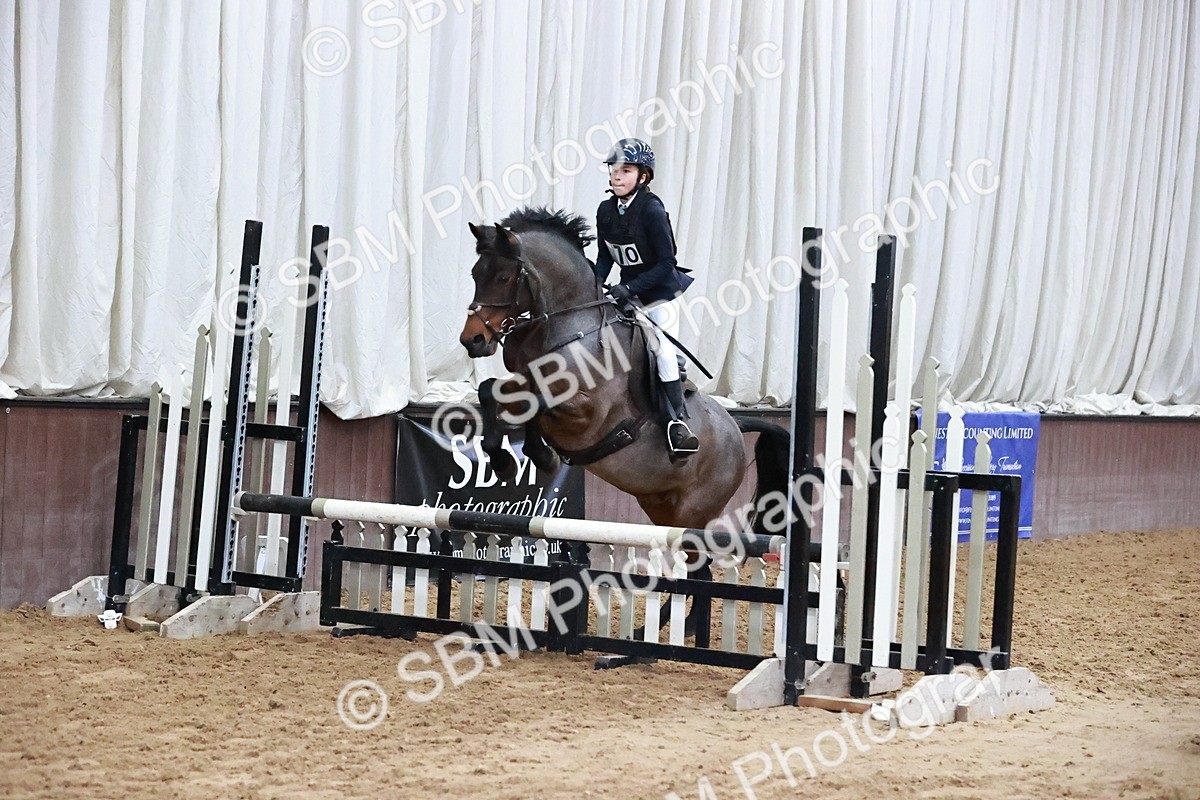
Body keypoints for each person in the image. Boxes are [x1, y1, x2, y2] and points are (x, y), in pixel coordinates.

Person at [592, 138, 700, 458]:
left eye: (626, 170)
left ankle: (676, 424)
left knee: (663, 353)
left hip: (659, 297)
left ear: (643, 177)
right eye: (614, 170)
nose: (617, 176)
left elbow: (667, 263)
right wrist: (595, 285)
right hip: (629, 296)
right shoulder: (606, 210)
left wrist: (632, 288)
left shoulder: (652, 210)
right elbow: (604, 256)